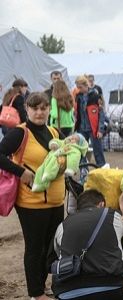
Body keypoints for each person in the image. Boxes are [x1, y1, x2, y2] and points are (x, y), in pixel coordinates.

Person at [0, 92, 65, 300]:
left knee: (52, 248)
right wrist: (21, 172)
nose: (39, 112)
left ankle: (45, 285)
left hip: (56, 201)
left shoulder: (55, 132)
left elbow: (68, 152)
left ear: (48, 109)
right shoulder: (20, 133)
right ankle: (36, 293)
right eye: (35, 108)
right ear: (26, 109)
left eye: (43, 108)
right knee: (35, 248)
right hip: (31, 203)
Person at [51, 189, 123, 300]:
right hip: (111, 286)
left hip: (67, 291)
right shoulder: (112, 215)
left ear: (78, 208)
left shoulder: (63, 225)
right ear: (102, 204)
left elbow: (57, 252)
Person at [74, 75, 106, 167]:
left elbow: (101, 113)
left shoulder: (95, 95)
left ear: (86, 85)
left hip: (93, 128)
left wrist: (100, 130)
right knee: (81, 151)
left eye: (80, 87)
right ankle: (83, 170)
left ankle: (102, 168)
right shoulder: (78, 97)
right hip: (81, 129)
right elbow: (77, 112)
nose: (78, 89)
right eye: (77, 87)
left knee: (98, 151)